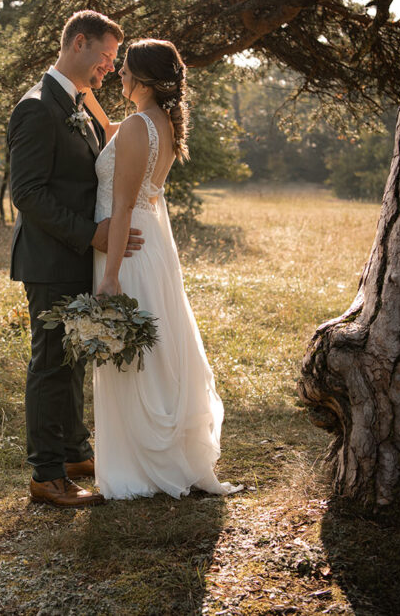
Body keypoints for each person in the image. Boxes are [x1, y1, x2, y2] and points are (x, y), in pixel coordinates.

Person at [85, 38, 242, 500]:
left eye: (124, 68)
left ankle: (141, 463)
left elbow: (123, 203)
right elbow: (109, 128)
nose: (118, 74)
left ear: (145, 79)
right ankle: (159, 451)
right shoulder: (159, 123)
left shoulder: (137, 126)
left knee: (131, 352)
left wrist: (110, 276)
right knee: (152, 349)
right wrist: (83, 89)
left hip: (125, 248)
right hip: (147, 243)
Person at [7, 10, 143, 507]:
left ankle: (73, 450)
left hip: (75, 256)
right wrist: (92, 235)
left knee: (73, 358)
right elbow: (28, 193)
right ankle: (47, 476)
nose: (110, 66)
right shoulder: (37, 107)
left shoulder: (78, 103)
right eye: (106, 56)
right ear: (78, 43)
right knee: (50, 365)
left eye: (113, 60)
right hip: (49, 258)